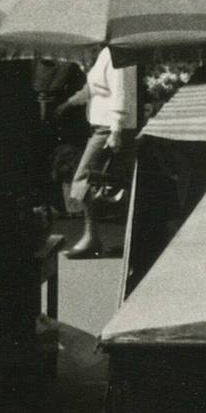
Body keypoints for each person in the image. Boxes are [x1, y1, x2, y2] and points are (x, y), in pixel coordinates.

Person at [62, 45, 137, 257]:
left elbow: (120, 93)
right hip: (102, 125)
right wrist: (69, 103)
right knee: (103, 181)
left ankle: (91, 237)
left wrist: (116, 130)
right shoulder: (104, 55)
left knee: (85, 178)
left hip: (109, 127)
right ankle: (94, 236)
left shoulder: (117, 55)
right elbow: (92, 88)